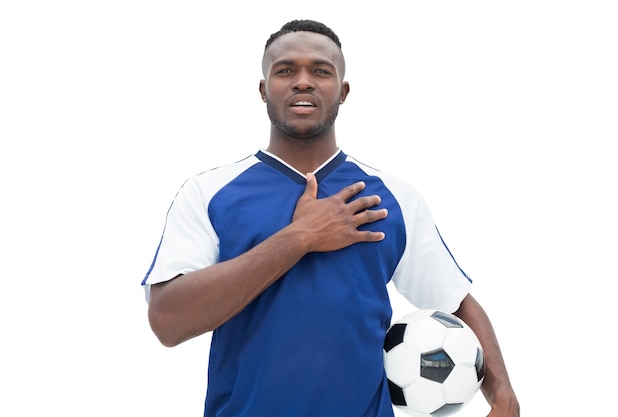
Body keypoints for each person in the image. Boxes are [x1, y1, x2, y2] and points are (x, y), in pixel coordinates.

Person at [142, 19, 520, 417]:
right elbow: (168, 320)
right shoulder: (209, 193)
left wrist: (504, 397)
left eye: (320, 71)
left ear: (342, 92)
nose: (302, 81)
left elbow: (454, 302)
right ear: (263, 89)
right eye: (285, 70)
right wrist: (300, 236)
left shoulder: (391, 197)